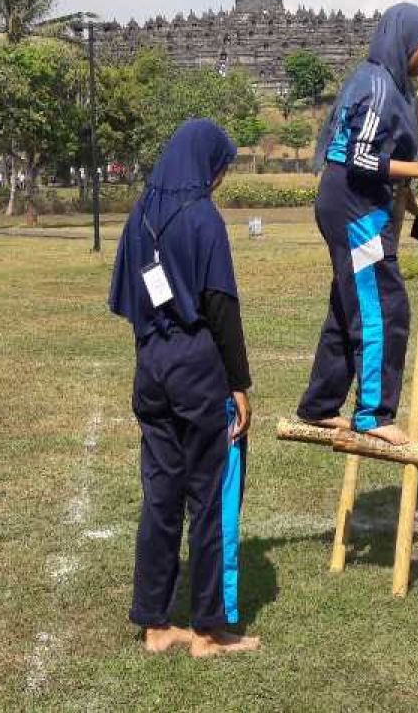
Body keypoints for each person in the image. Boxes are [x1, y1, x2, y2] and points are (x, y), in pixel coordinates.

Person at [109, 119, 259, 658]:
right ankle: (207, 630)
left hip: (150, 366)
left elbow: (128, 300)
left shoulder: (139, 216)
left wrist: (154, 356)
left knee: (161, 496)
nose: (220, 177)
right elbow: (220, 306)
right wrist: (238, 383)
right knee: (213, 495)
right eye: (220, 166)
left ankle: (154, 624)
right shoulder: (203, 220)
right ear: (205, 164)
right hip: (198, 370)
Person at [294, 3, 418, 446]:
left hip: (353, 201)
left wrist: (414, 199)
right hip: (353, 204)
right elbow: (359, 157)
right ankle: (373, 413)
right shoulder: (379, 85)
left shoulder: (382, 82)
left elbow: (376, 155)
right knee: (383, 305)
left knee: (349, 306)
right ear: (404, 42)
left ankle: (320, 406)